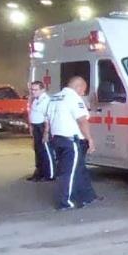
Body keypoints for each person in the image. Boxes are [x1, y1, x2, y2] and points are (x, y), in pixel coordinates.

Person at [44, 76, 97, 210]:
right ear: (78, 86)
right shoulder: (73, 98)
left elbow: (48, 119)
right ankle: (65, 202)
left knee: (79, 168)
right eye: (83, 90)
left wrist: (46, 134)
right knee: (69, 172)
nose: (83, 94)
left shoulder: (55, 97)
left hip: (57, 139)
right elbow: (82, 120)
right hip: (70, 141)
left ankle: (87, 196)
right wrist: (89, 138)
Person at [27, 80, 54, 182]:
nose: (33, 92)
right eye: (32, 90)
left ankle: (49, 174)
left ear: (42, 89)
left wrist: (46, 132)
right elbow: (32, 114)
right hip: (36, 127)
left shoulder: (46, 100)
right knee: (37, 150)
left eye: (35, 90)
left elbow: (48, 117)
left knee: (46, 151)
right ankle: (39, 172)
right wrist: (31, 127)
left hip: (43, 127)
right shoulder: (35, 100)